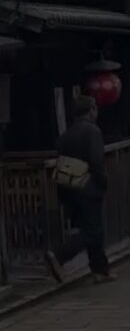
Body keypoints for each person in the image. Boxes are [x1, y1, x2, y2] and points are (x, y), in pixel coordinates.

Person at [46, 95, 115, 284]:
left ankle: (101, 270)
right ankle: (60, 255)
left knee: (92, 228)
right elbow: (96, 160)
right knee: (91, 231)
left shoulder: (66, 135)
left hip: (70, 186)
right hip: (88, 185)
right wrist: (103, 181)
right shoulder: (92, 131)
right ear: (91, 110)